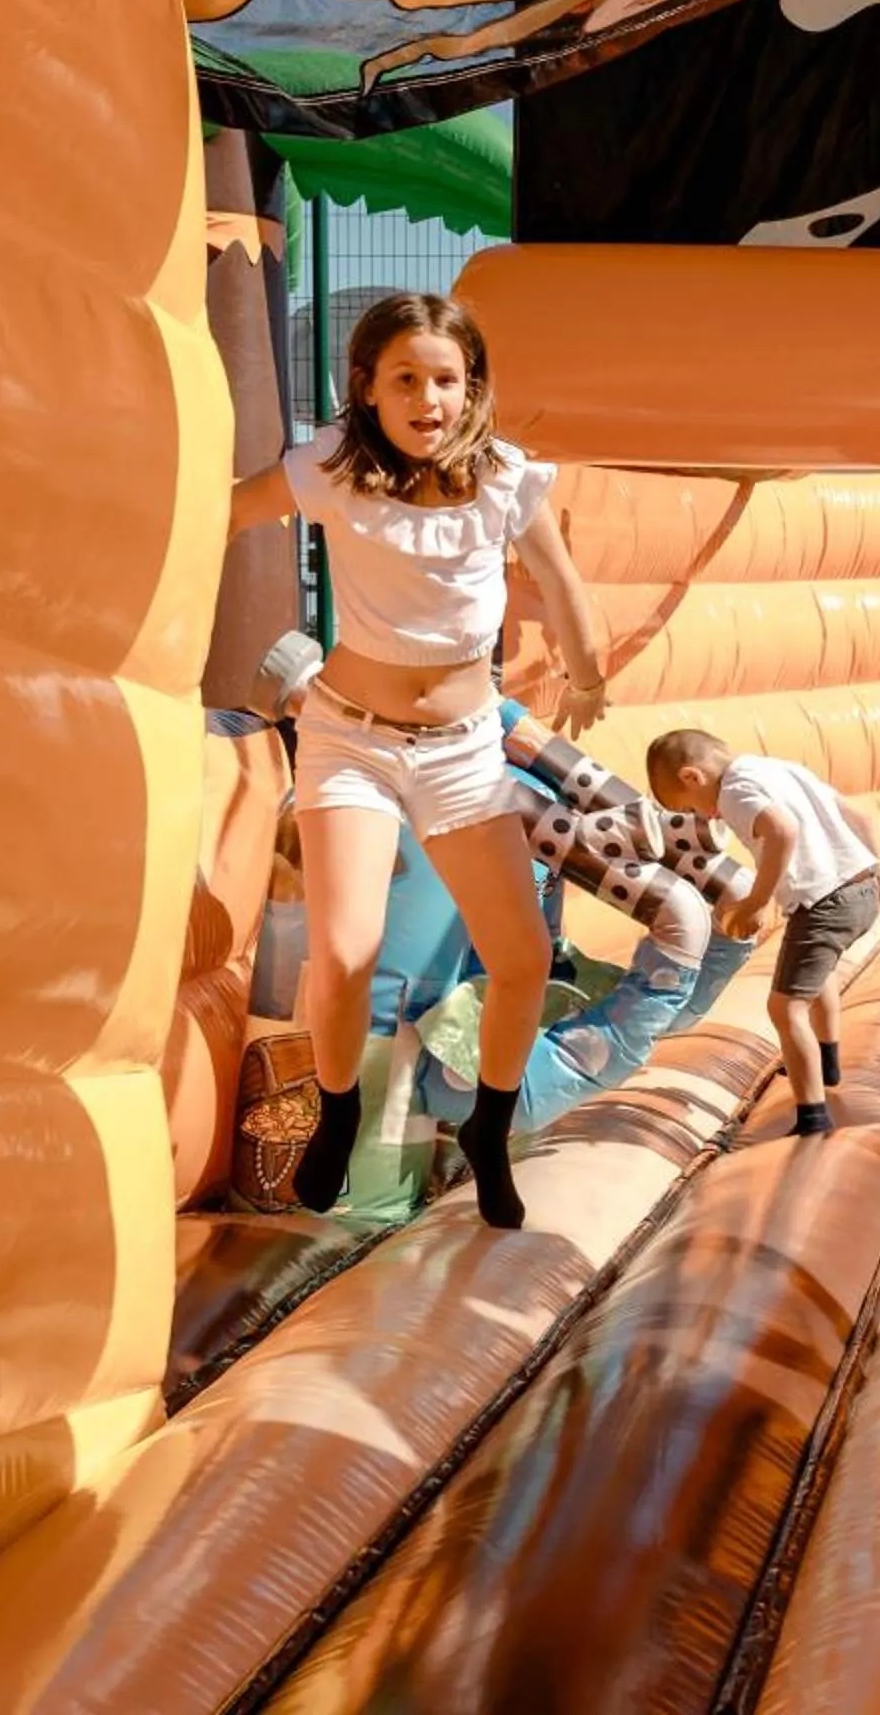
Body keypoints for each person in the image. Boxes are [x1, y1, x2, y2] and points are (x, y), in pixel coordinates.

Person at [224, 292, 609, 1229]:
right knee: (345, 954)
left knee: (520, 959)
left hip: (464, 753)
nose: (429, 398)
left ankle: (489, 1123)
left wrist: (588, 671)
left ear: (472, 387)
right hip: (350, 737)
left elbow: (559, 582)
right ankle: (339, 1106)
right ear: (367, 386)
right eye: (406, 378)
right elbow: (224, 514)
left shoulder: (503, 480)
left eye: (448, 378)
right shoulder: (332, 470)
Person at [647, 729, 880, 1137]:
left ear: (693, 777)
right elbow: (859, 815)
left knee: (784, 1007)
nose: (705, 818)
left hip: (824, 902)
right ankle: (826, 1063)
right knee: (819, 975)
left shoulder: (733, 793)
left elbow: (782, 831)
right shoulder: (780, 768)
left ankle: (812, 1116)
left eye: (691, 808)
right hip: (861, 887)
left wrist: (756, 901)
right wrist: (879, 874)